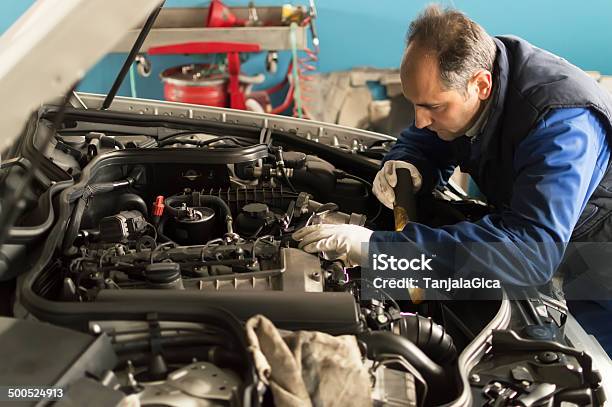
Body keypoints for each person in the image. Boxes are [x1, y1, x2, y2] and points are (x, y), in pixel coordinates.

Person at [292, 5, 612, 354]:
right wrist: (408, 161)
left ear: (481, 85)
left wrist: (380, 251)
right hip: (556, 240)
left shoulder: (560, 126)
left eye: (433, 107)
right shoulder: (481, 71)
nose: (419, 120)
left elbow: (529, 252)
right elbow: (429, 135)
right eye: (415, 104)